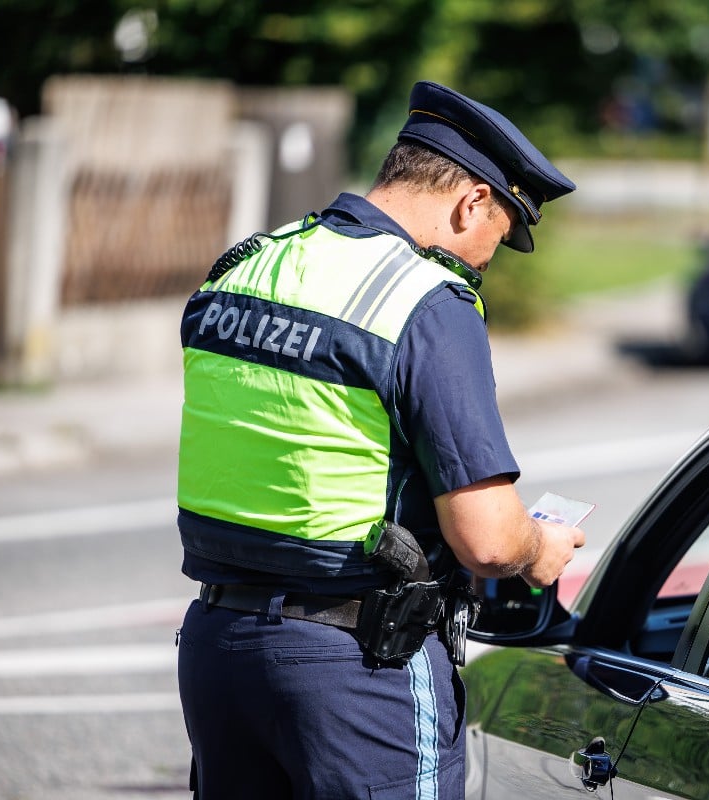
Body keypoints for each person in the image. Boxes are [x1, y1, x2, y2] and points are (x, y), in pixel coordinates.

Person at [174, 80, 587, 799]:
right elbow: (487, 540)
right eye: (501, 235)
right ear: (472, 202)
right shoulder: (426, 303)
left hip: (218, 650)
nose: (489, 260)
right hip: (357, 669)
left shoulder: (246, 265)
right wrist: (537, 548)